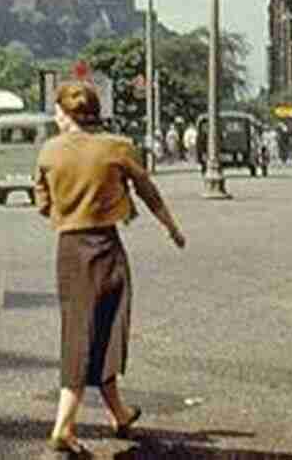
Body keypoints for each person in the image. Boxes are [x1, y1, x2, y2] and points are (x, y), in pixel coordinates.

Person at [35, 82, 186, 455]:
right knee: (106, 327)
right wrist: (170, 226)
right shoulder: (117, 147)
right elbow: (148, 190)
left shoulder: (49, 152)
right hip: (105, 248)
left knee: (80, 328)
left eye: (57, 111)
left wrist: (72, 208)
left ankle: (119, 412)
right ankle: (63, 425)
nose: (55, 117)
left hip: (69, 251)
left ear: (67, 114)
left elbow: (42, 203)